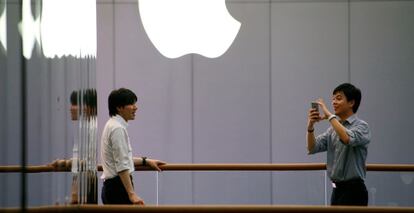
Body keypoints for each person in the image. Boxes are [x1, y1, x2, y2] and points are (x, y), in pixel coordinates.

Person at [306, 83, 371, 206]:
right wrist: (310, 126)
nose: (334, 102)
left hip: (354, 191)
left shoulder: (362, 126)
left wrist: (330, 116)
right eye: (333, 99)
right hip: (336, 190)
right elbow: (312, 147)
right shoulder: (333, 129)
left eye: (339, 98)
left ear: (351, 103)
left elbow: (347, 138)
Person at [101, 88, 166, 205]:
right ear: (119, 107)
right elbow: (121, 164)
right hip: (118, 188)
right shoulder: (117, 129)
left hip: (112, 187)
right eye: (131, 104)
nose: (135, 107)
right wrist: (131, 194)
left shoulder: (111, 124)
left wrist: (145, 161)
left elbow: (121, 159)